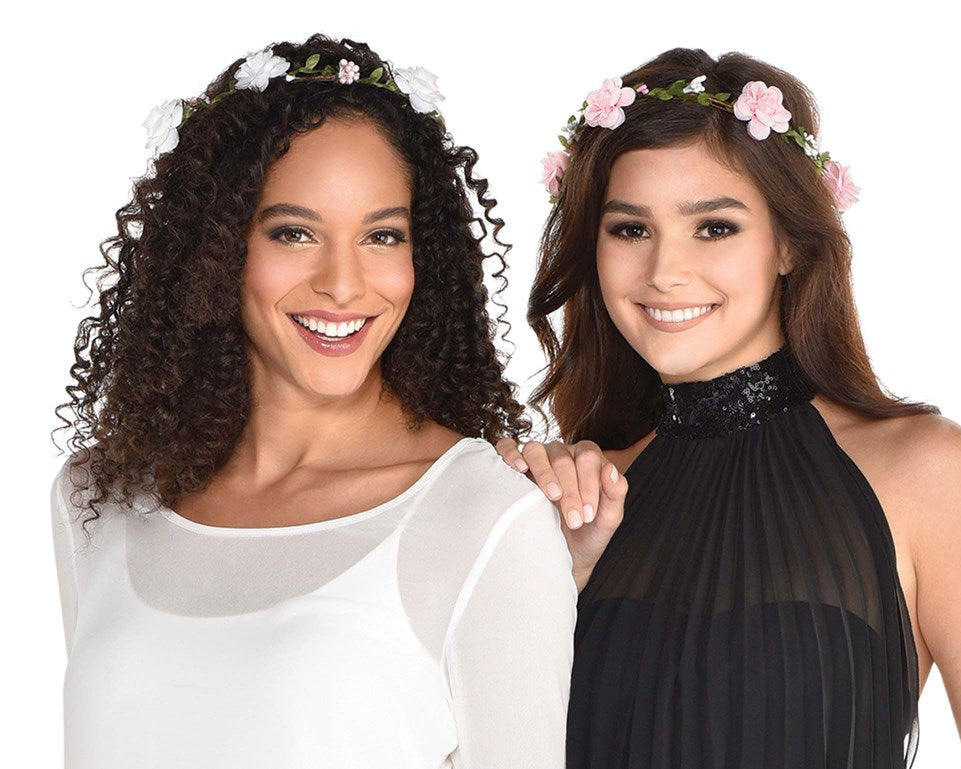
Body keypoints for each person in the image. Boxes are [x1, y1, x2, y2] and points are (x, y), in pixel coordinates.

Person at [51, 34, 576, 769]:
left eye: (381, 235)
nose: (342, 283)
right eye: (294, 232)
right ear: (218, 246)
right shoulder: (97, 498)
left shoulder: (482, 518)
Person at [497, 48, 961, 768]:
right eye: (630, 229)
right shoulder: (580, 499)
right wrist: (557, 577)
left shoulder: (928, 474)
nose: (665, 271)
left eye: (714, 227)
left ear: (790, 243)